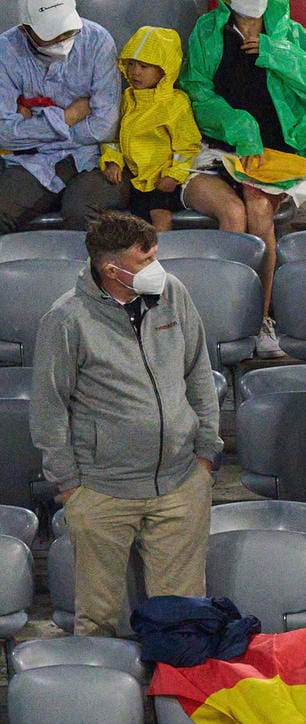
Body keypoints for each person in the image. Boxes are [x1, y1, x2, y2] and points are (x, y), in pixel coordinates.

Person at [31, 210, 218, 638]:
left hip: (181, 482)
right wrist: (71, 484)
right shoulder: (66, 319)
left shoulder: (173, 294)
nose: (158, 267)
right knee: (97, 619)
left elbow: (199, 372)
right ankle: (104, 701)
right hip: (101, 491)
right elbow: (49, 406)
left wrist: (206, 454)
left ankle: (174, 699)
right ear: (111, 269)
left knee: (183, 617)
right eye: (146, 259)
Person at [183, 0, 306, 357]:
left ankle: (260, 319)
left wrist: (276, 54)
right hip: (218, 146)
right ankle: (223, 320)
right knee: (233, 216)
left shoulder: (292, 35)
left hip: (274, 152)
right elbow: (197, 91)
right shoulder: (207, 31)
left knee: (259, 210)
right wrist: (239, 125)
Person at [0, 0, 127, 234]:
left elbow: (104, 127)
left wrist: (34, 127)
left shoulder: (97, 40)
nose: (62, 39)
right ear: (24, 30)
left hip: (95, 157)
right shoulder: (6, 50)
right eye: (52, 35)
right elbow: (5, 134)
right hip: (35, 161)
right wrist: (68, 117)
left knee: (81, 212)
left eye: (68, 31)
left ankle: (90, 270)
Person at [100, 27, 198, 232]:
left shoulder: (175, 103)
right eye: (131, 64)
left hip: (163, 179)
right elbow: (112, 136)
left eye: (144, 66)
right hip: (135, 178)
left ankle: (161, 260)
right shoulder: (127, 98)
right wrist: (112, 161)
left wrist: (173, 175)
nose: (135, 72)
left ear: (165, 69)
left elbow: (188, 146)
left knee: (160, 216)